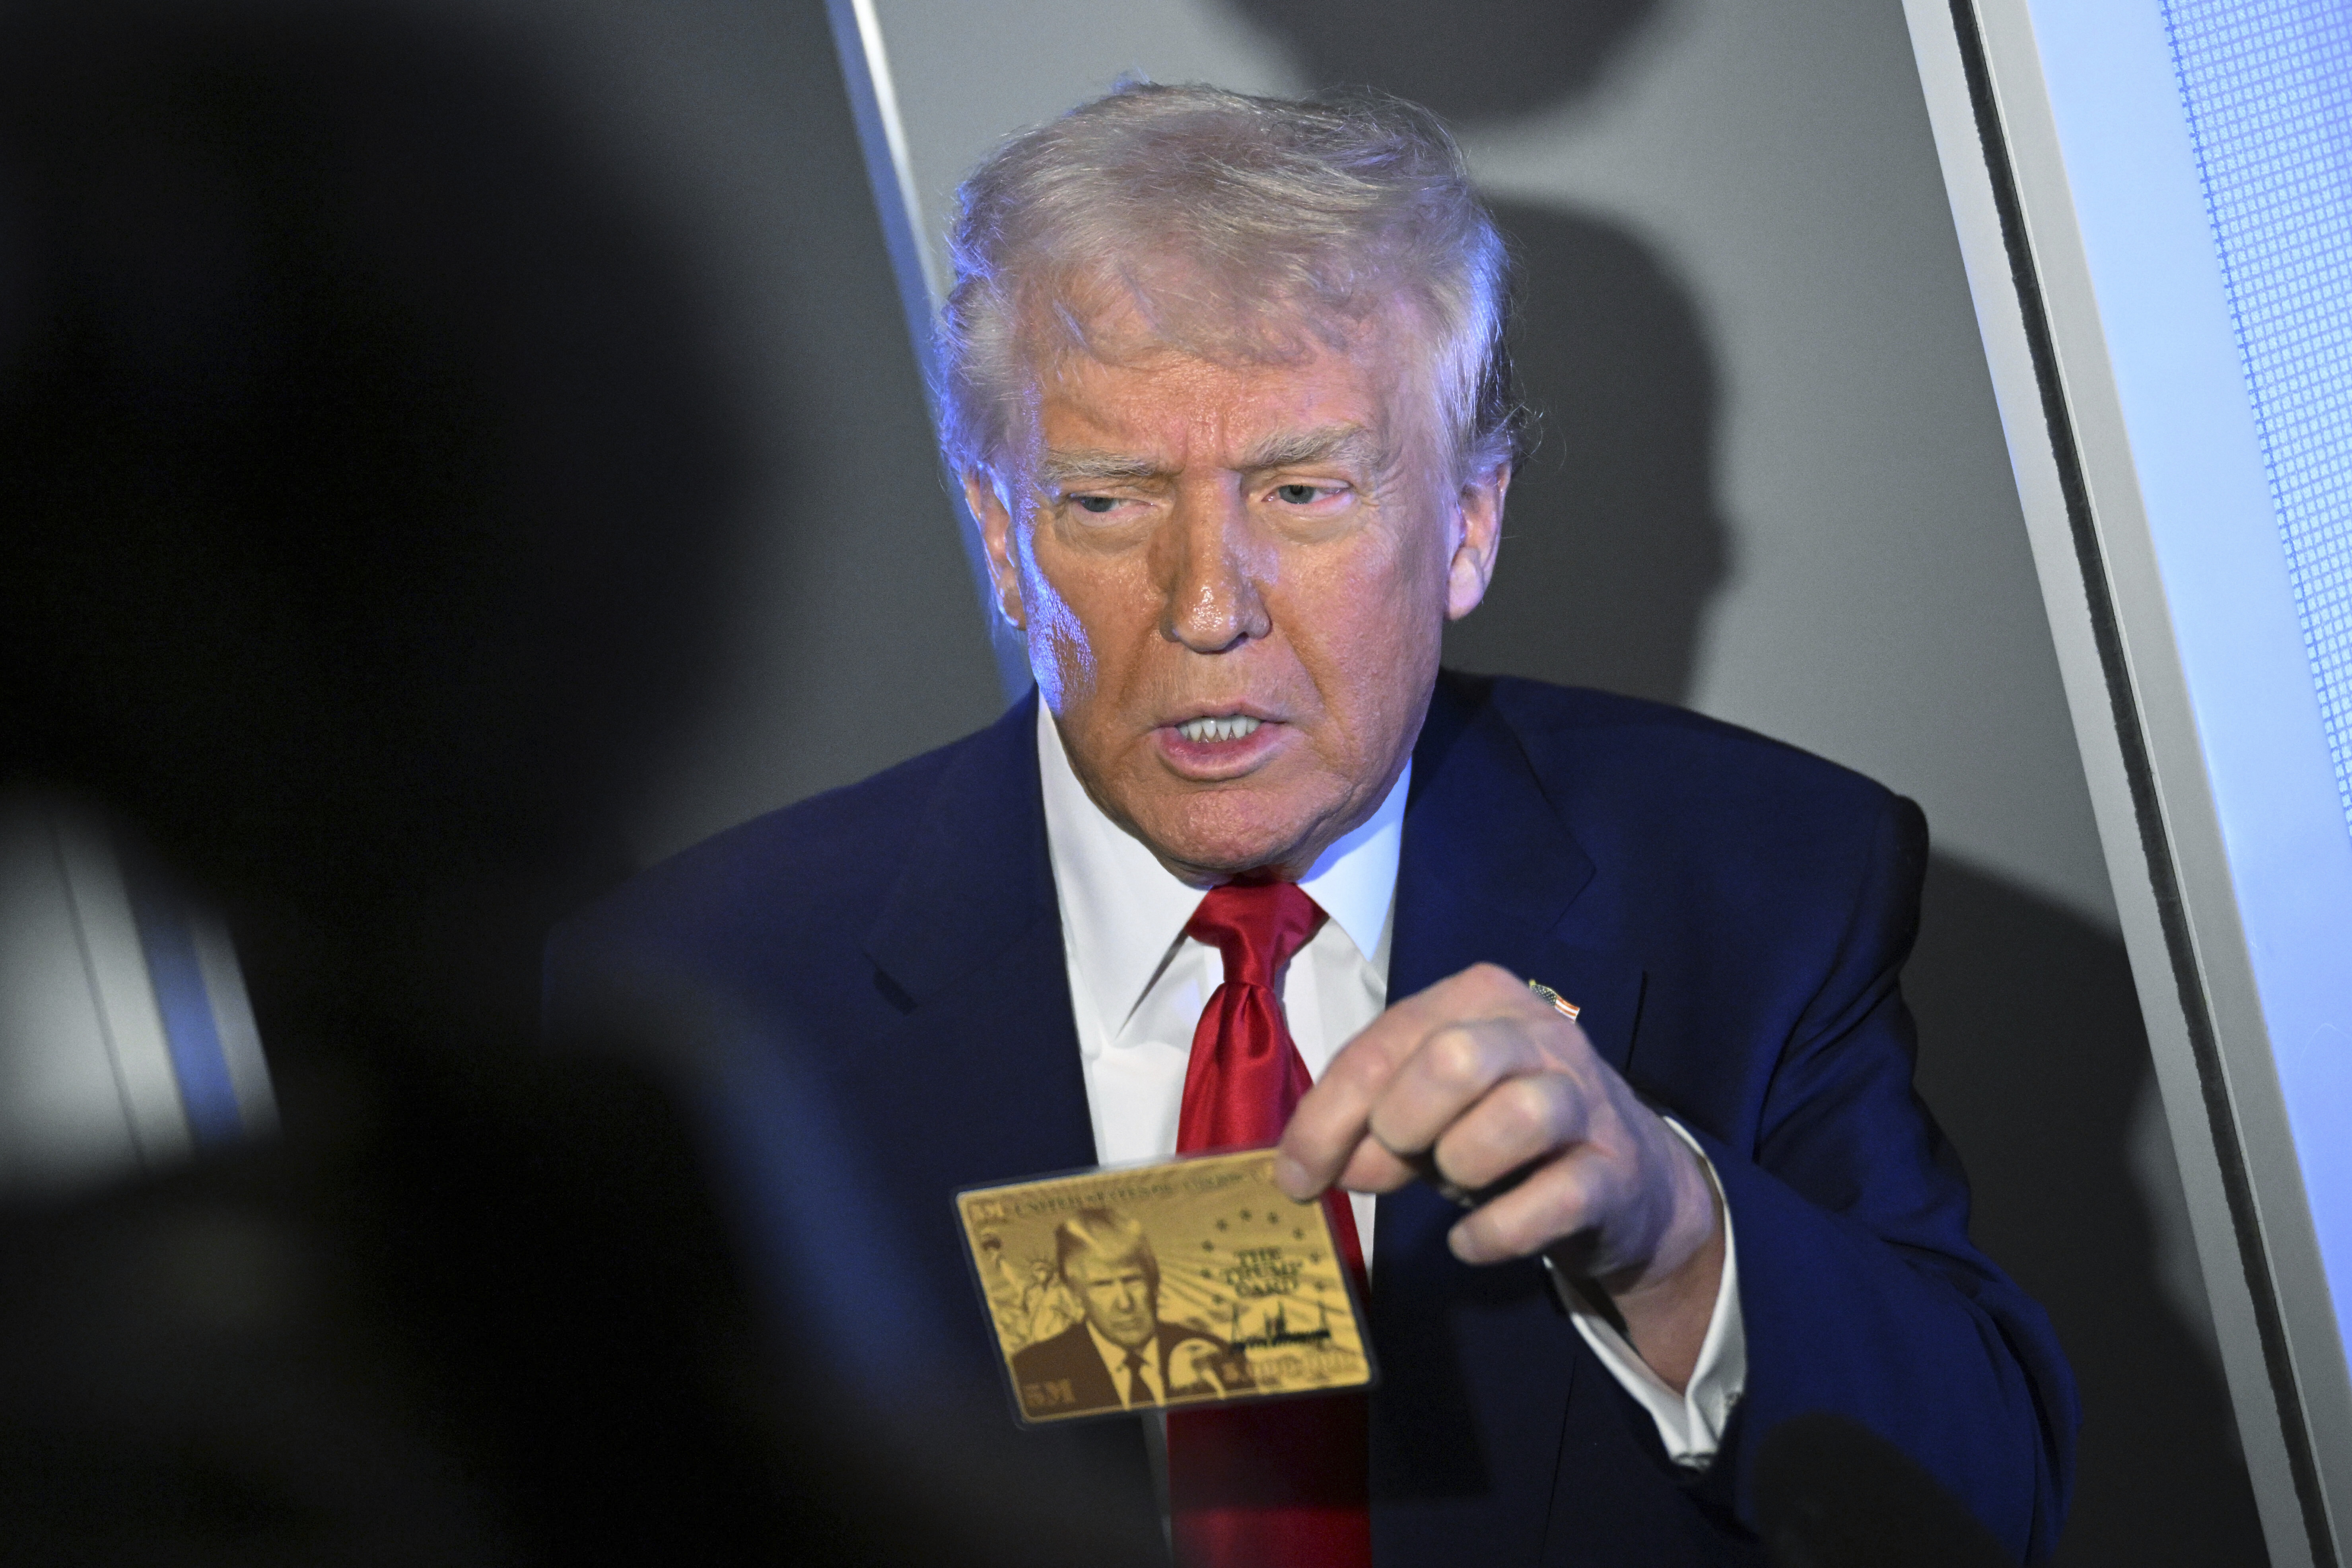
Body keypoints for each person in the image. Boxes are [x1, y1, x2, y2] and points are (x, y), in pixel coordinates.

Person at [545, 83, 2077, 1565]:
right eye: (1106, 501)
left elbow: (1984, 1506)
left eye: (1301, 491)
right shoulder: (702, 991)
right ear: (1003, 540)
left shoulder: (1759, 880)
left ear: (1466, 523)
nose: (1206, 607)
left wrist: (1676, 1234)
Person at [1010, 1209, 1248, 1420]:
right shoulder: (1031, 1371)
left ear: (1154, 1283)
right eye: (1102, 1285)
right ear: (1075, 1294)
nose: (1124, 1303)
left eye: (1132, 1280)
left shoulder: (1218, 1355)